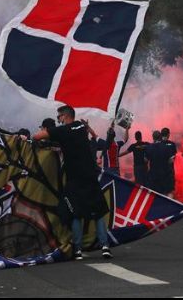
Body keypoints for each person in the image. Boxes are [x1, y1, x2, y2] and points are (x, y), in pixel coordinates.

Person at [32, 105, 112, 261]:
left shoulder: (61, 131)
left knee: (76, 213)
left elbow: (37, 137)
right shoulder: (81, 127)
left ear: (64, 116)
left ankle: (78, 250)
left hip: (74, 177)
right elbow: (91, 134)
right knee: (98, 212)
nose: (58, 120)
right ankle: (105, 246)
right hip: (90, 174)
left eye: (59, 117)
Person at [145, 128, 177, 196]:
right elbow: (171, 160)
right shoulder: (167, 147)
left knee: (153, 193)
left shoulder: (149, 147)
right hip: (165, 173)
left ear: (153, 137)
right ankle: (168, 205)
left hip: (153, 174)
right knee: (168, 191)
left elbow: (145, 160)